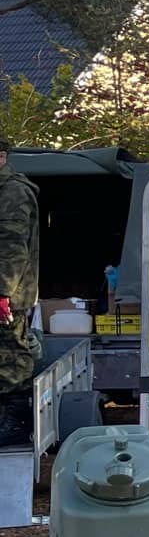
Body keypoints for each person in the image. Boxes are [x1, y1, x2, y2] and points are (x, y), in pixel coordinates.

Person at [0, 139, 39, 446]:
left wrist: (2, 292)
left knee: (11, 356)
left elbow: (13, 248)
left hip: (8, 293)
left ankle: (16, 424)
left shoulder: (12, 192)